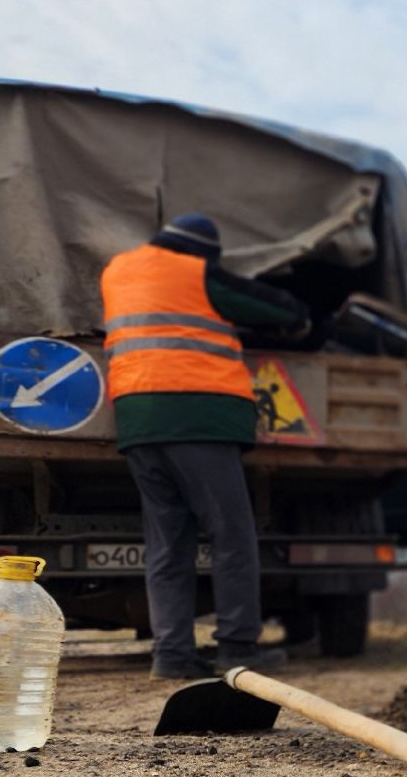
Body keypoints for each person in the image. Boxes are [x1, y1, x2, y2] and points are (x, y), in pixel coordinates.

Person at [101, 214, 308, 679]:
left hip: (137, 421)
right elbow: (273, 309)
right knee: (231, 536)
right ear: (202, 253)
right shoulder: (195, 272)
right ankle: (237, 649)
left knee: (167, 546)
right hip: (197, 417)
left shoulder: (117, 270)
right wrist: (299, 316)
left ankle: (172, 656)